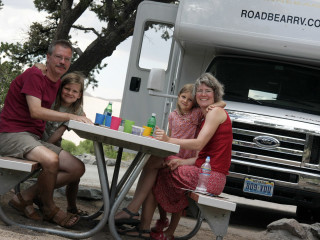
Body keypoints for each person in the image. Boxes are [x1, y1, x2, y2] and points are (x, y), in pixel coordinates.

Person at [0, 39, 92, 228]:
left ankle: (26, 197)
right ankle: (50, 209)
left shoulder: (56, 83)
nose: (62, 62)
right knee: (51, 160)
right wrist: (70, 117)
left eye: (67, 59)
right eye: (58, 57)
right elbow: (36, 111)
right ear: (48, 57)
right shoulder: (35, 75)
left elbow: (71, 95)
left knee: (76, 168)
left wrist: (81, 116)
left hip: (31, 137)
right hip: (10, 133)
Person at [115, 81, 226, 238]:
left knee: (153, 166)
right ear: (178, 96)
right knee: (152, 164)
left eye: (190, 99)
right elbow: (172, 135)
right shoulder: (173, 115)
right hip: (174, 153)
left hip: (187, 158)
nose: (186, 101)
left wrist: (216, 104)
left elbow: (221, 103)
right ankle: (141, 220)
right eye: (183, 97)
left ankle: (135, 213)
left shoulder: (198, 114)